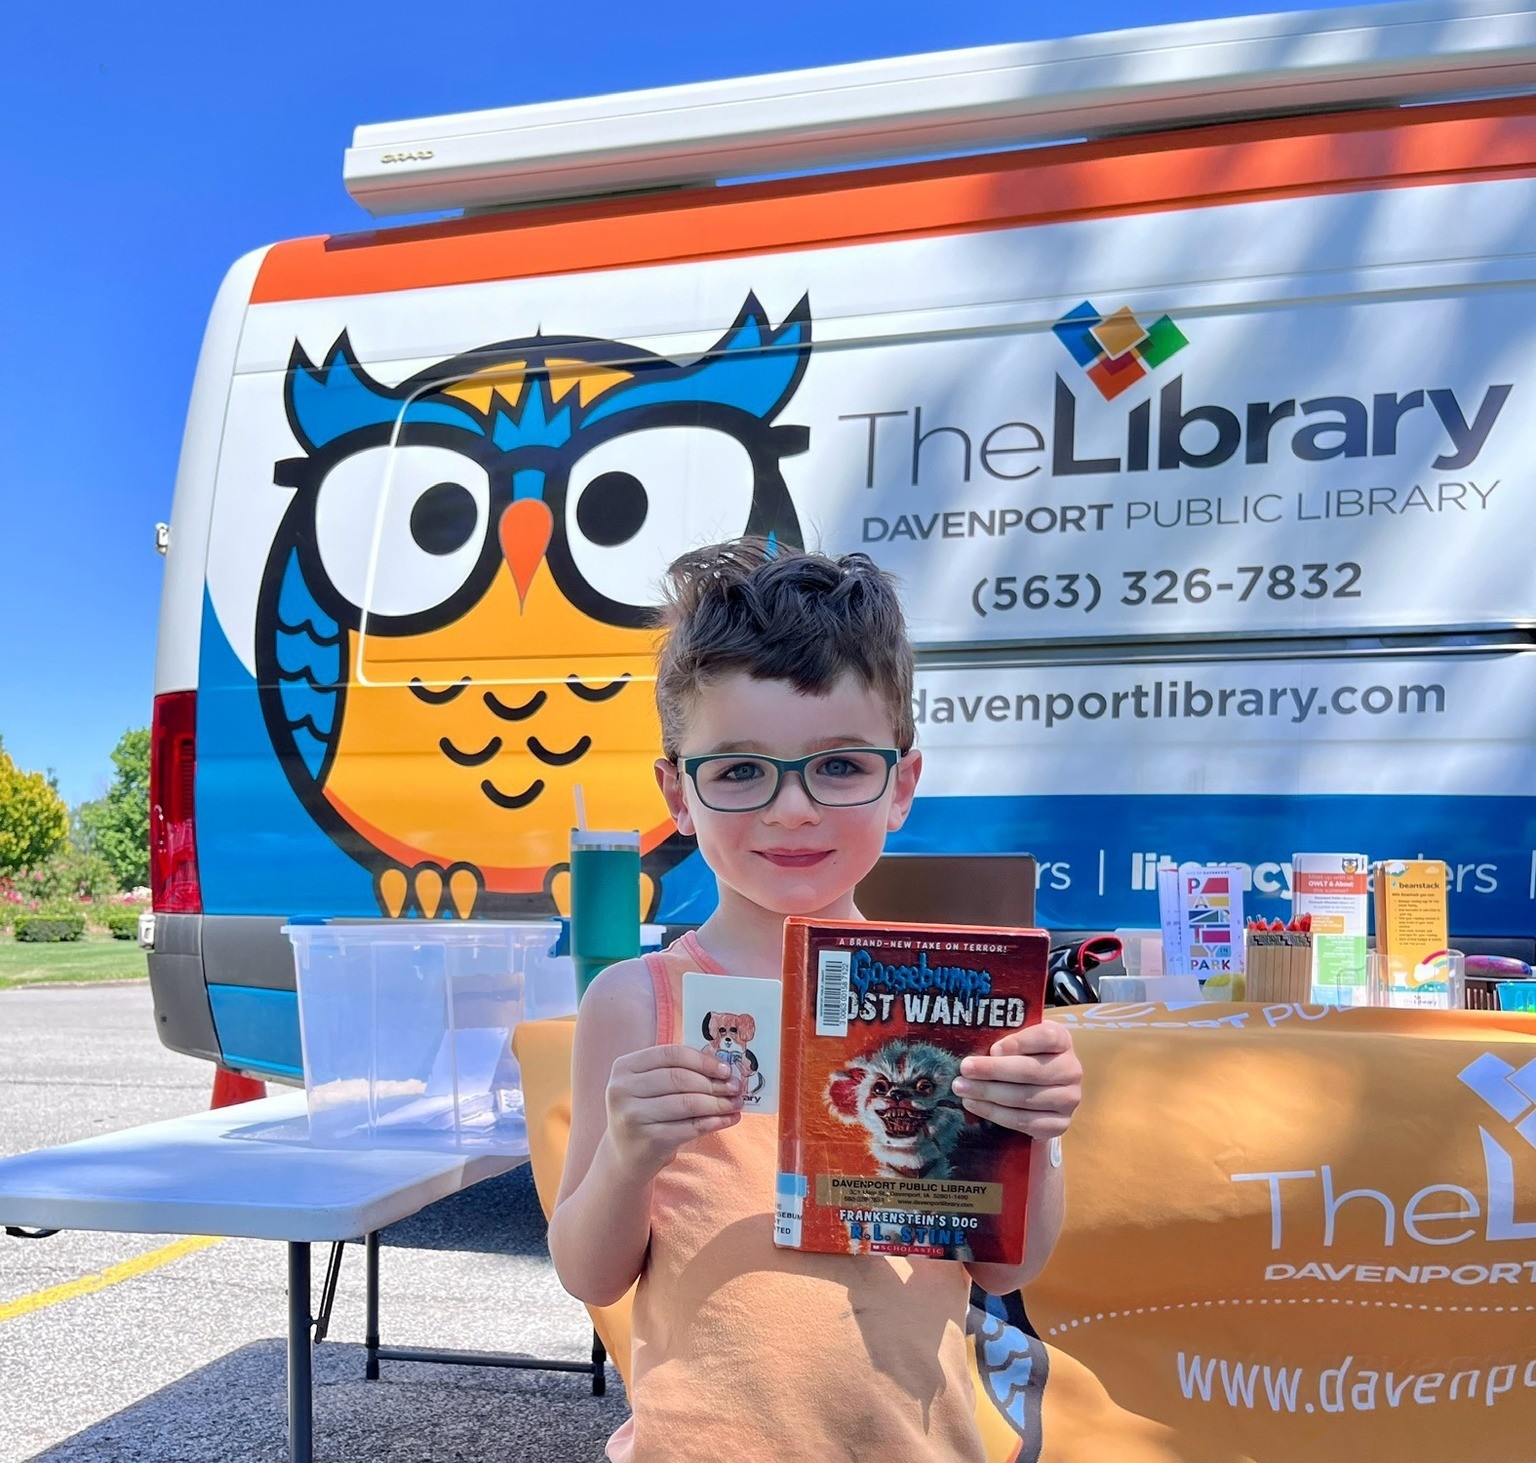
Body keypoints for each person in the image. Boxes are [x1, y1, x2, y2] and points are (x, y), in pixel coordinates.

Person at [548, 540, 1082, 1462]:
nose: (791, 809)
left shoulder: (962, 1011)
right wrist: (628, 1158)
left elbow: (1009, 1264)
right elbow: (589, 1271)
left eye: (839, 766)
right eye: (740, 769)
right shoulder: (636, 1001)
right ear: (678, 792)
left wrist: (1029, 1133)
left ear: (902, 785)